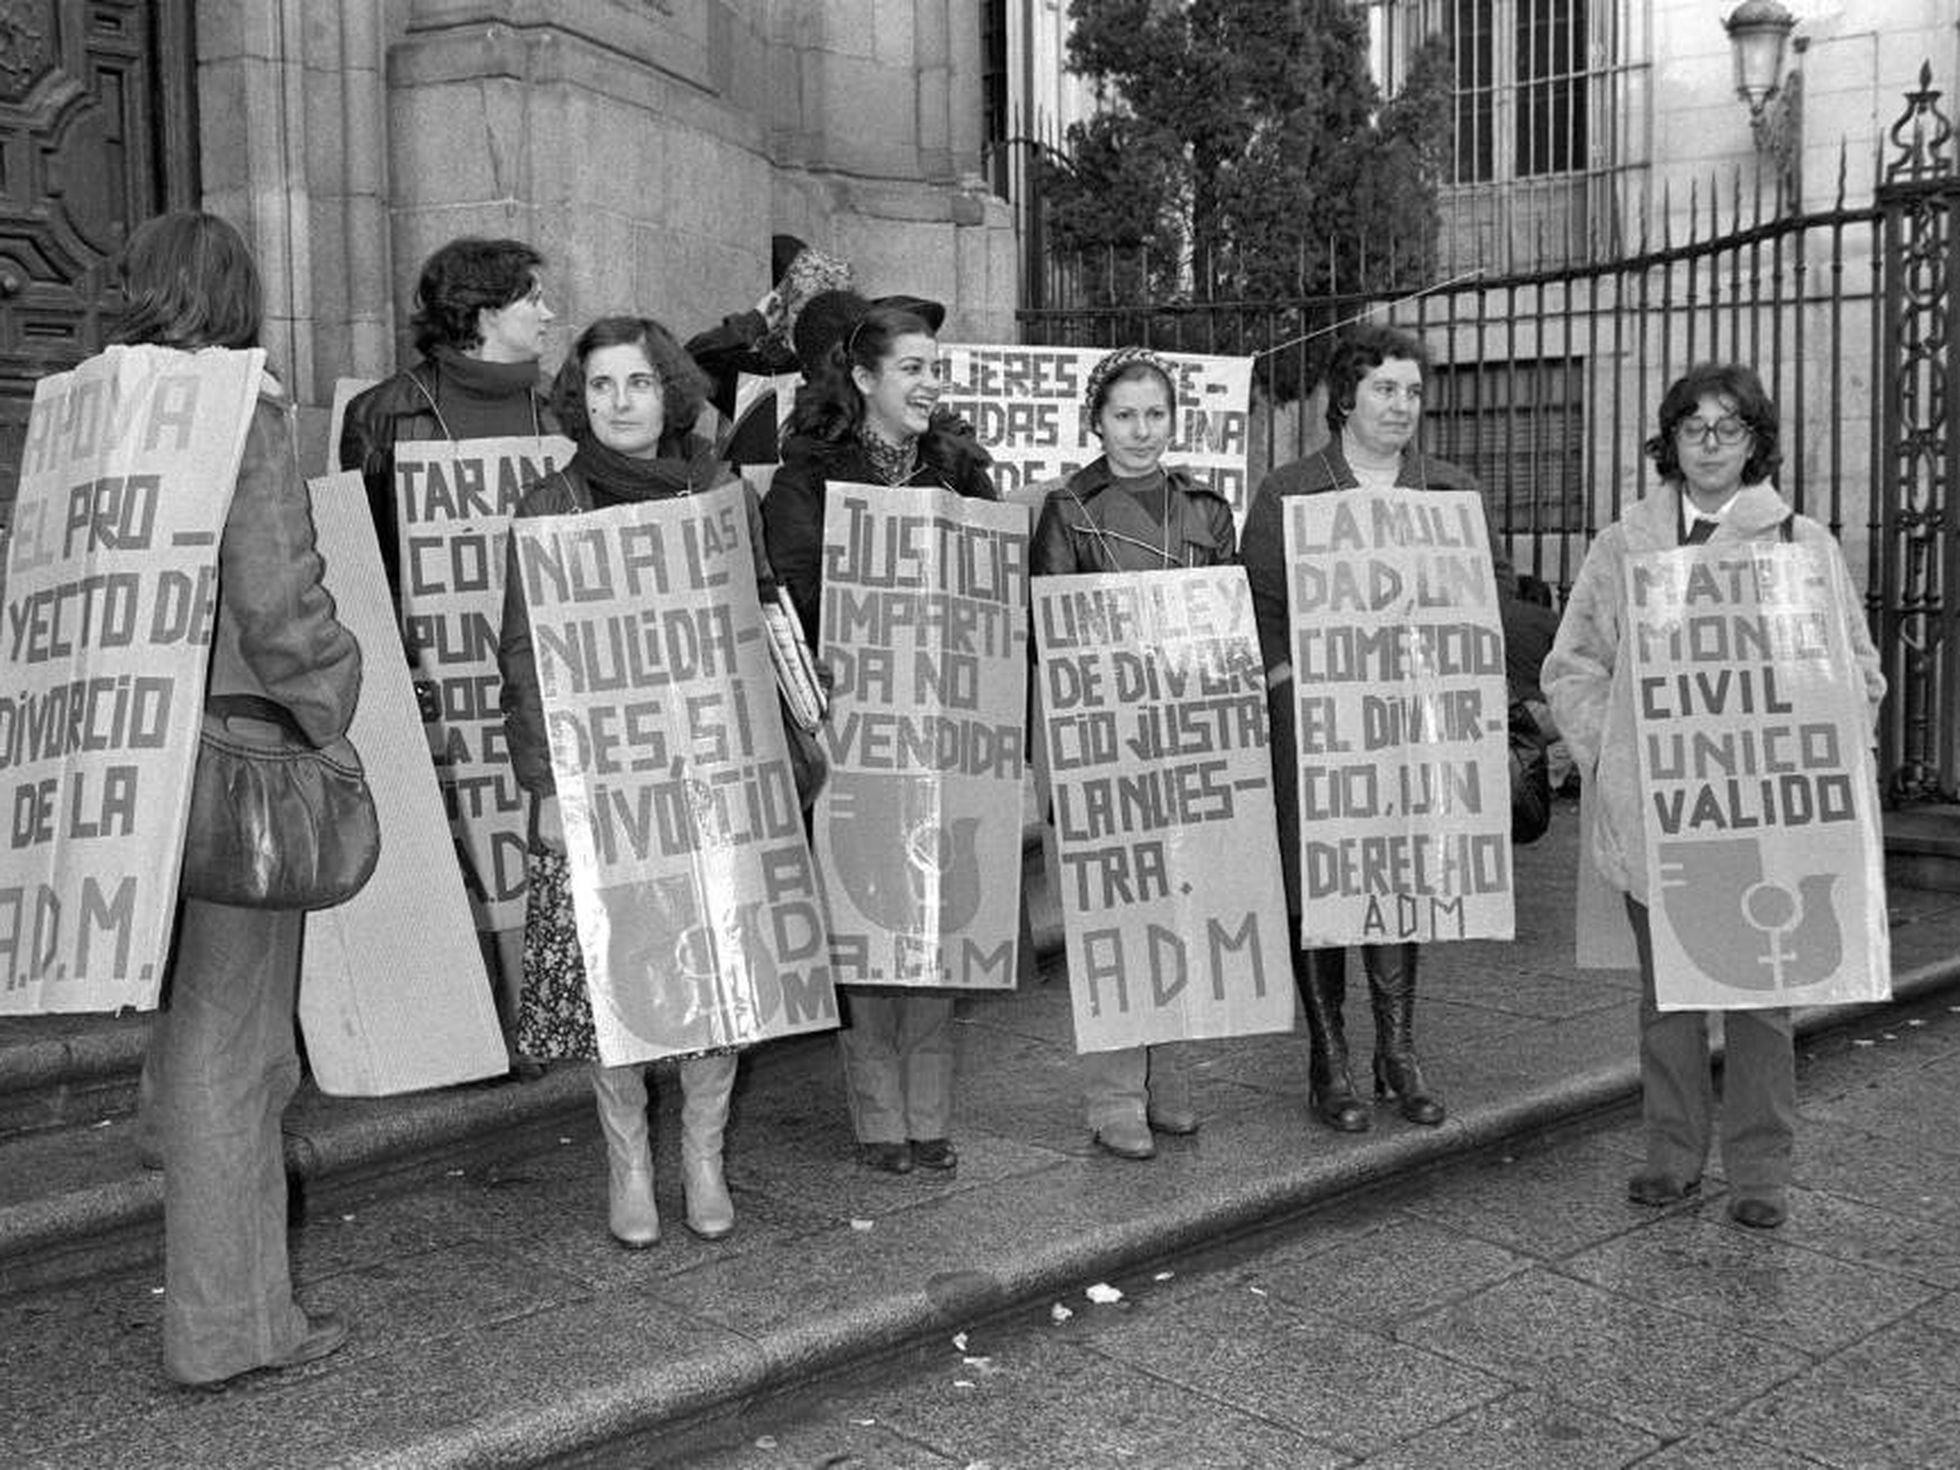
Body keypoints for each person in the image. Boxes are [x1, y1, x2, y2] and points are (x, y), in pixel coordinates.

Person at [1543, 363, 1884, 1230]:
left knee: (1763, 1004)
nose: (1709, 443)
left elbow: (1858, 671)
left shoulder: (1799, 545)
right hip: (1659, 818)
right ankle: (1671, 1154)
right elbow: (1572, 666)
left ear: (1754, 442)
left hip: (1762, 821)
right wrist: (1613, 754)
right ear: (1670, 440)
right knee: (1669, 1001)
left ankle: (1761, 1168)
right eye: (1693, 427)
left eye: (1727, 428)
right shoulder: (1624, 546)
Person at [126, 212, 364, 1385]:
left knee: (188, 1039)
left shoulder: (90, 414)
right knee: (237, 1046)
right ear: (235, 296)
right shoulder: (240, 413)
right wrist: (338, 701)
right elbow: (280, 604)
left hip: (124, 765)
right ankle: (230, 1330)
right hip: (231, 765)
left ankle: (224, 1289)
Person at [498, 316, 766, 1248]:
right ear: (581, 397)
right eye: (603, 385)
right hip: (594, 782)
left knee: (713, 970)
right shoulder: (548, 506)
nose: (620, 403)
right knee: (611, 972)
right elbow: (524, 655)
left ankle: (702, 1155)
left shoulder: (717, 491)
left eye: (639, 384)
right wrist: (541, 788)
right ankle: (627, 1164)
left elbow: (758, 619)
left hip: (704, 772)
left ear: (671, 394)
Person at [1241, 324, 1511, 1134]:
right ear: (1345, 397)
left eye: (1414, 391)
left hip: (1415, 722)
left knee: (1400, 872)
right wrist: (1286, 680)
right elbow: (1256, 601)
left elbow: (1484, 594)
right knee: (1322, 877)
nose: (1402, 405)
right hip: (1318, 723)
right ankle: (1330, 1057)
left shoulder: (1448, 490)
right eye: (1386, 389)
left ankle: (1399, 1052)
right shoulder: (1291, 492)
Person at [763, 297, 995, 1174]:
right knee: (864, 916)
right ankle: (877, 1118)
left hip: (943, 720)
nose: (931, 384)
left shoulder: (963, 471)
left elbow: (992, 587)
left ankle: (929, 1114)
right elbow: (793, 588)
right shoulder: (808, 474)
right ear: (863, 378)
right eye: (913, 368)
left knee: (938, 913)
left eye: (937, 368)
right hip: (854, 721)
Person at [338, 236, 559, 1072]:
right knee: (464, 836)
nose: (547, 313)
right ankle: (476, 1020)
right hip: (437, 676)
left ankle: (541, 1010)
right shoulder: (387, 413)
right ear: (483, 311)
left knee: (530, 828)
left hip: (531, 671)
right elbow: (363, 556)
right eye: (532, 297)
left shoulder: (563, 413)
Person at [1028, 346, 1236, 1161]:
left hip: (1185, 737)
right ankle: (1115, 1096)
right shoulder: (1069, 510)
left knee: (1182, 905)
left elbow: (1228, 628)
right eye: (1124, 415)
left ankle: (1170, 1082)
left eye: (1154, 414)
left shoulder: (1208, 511)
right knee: (1113, 919)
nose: (1141, 430)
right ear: (1097, 421)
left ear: (1172, 421)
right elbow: (1052, 634)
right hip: (1101, 746)